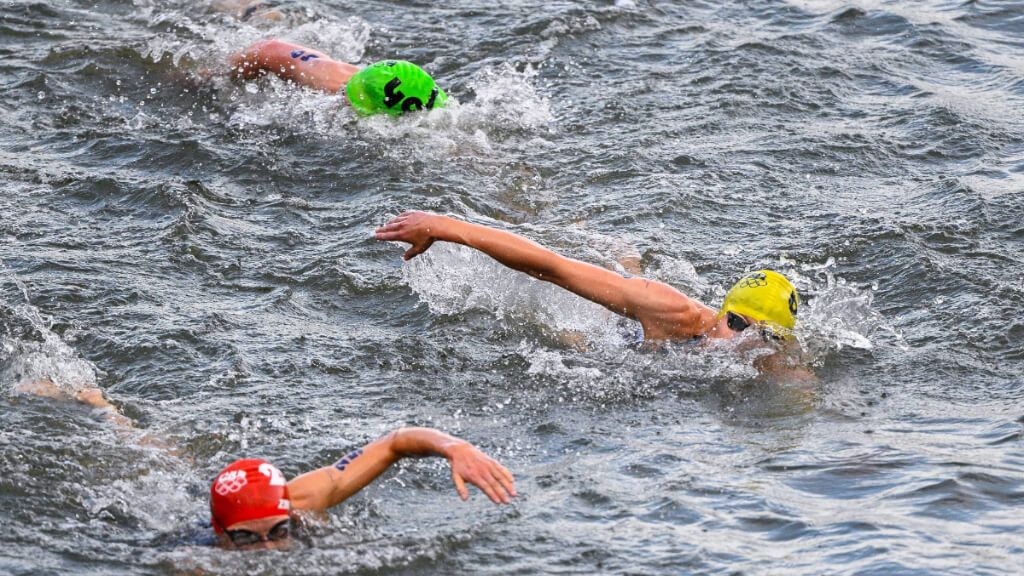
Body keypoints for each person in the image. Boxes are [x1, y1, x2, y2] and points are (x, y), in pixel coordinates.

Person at [16, 378, 516, 551]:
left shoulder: (301, 500)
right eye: (246, 540)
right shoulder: (193, 560)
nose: (267, 552)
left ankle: (104, 406)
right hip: (183, 516)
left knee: (177, 462)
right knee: (160, 467)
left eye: (278, 532)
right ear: (220, 536)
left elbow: (396, 441)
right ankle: (101, 410)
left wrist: (454, 447)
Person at [373, 211, 802, 345]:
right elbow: (551, 267)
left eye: (766, 337)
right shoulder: (675, 313)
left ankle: (625, 264)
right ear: (723, 312)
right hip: (623, 331)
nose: (743, 343)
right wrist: (447, 228)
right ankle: (615, 255)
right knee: (572, 337)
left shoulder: (775, 361)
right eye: (739, 325)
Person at [228, 38, 447, 115]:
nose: (345, 96)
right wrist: (218, 77)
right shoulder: (330, 80)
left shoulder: (440, 116)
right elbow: (269, 47)